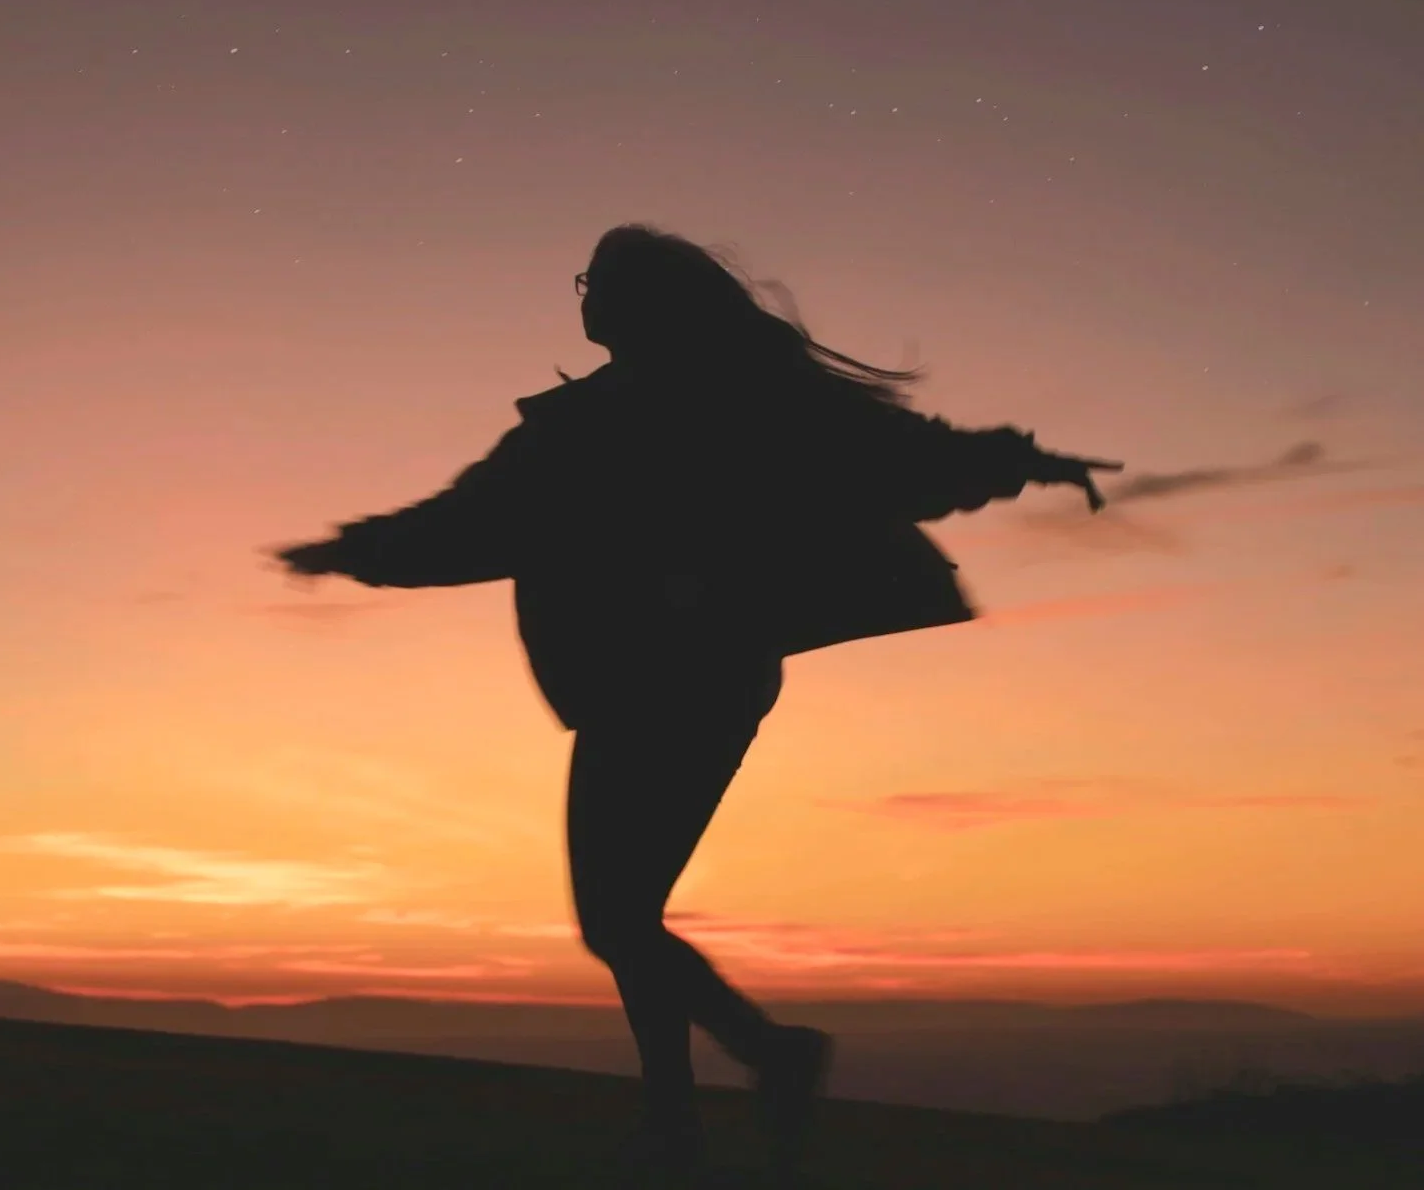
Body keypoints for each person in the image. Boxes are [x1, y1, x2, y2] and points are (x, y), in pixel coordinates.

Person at [270, 224, 1121, 1186]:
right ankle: (696, 1105)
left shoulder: (615, 420)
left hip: (660, 678)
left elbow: (472, 523)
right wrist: (1026, 460)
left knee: (617, 917)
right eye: (582, 278)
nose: (582, 296)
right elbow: (903, 453)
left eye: (598, 280)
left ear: (640, 302)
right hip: (700, 674)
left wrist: (352, 550)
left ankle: (747, 1070)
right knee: (627, 912)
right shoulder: (702, 402)